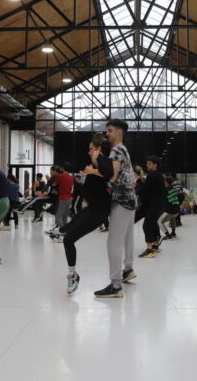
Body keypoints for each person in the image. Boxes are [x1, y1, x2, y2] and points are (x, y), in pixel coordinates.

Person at [50, 134, 113, 294]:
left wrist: (94, 168)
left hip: (98, 212)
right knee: (69, 226)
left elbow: (109, 173)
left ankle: (73, 275)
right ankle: (58, 230)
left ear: (99, 150)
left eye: (91, 150)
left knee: (69, 239)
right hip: (92, 208)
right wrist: (90, 171)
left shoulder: (103, 163)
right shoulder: (93, 165)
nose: (88, 152)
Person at [94, 119, 137, 298]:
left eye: (110, 130)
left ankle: (115, 285)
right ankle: (128, 269)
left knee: (113, 242)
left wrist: (95, 164)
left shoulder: (117, 149)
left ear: (119, 132)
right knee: (127, 237)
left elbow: (112, 175)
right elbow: (130, 176)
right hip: (130, 199)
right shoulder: (124, 150)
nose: (107, 134)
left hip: (121, 200)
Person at [138, 156, 166, 258]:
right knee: (152, 224)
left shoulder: (151, 175)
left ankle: (149, 249)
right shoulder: (159, 175)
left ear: (155, 164)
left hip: (154, 204)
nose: (147, 165)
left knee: (147, 225)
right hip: (159, 204)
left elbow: (146, 191)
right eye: (147, 163)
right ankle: (154, 245)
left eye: (149, 163)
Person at [53, 162, 74, 232]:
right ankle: (66, 231)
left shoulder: (61, 176)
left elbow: (53, 185)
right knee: (64, 217)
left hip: (63, 198)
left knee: (58, 217)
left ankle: (63, 231)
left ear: (62, 168)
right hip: (69, 198)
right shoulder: (71, 178)